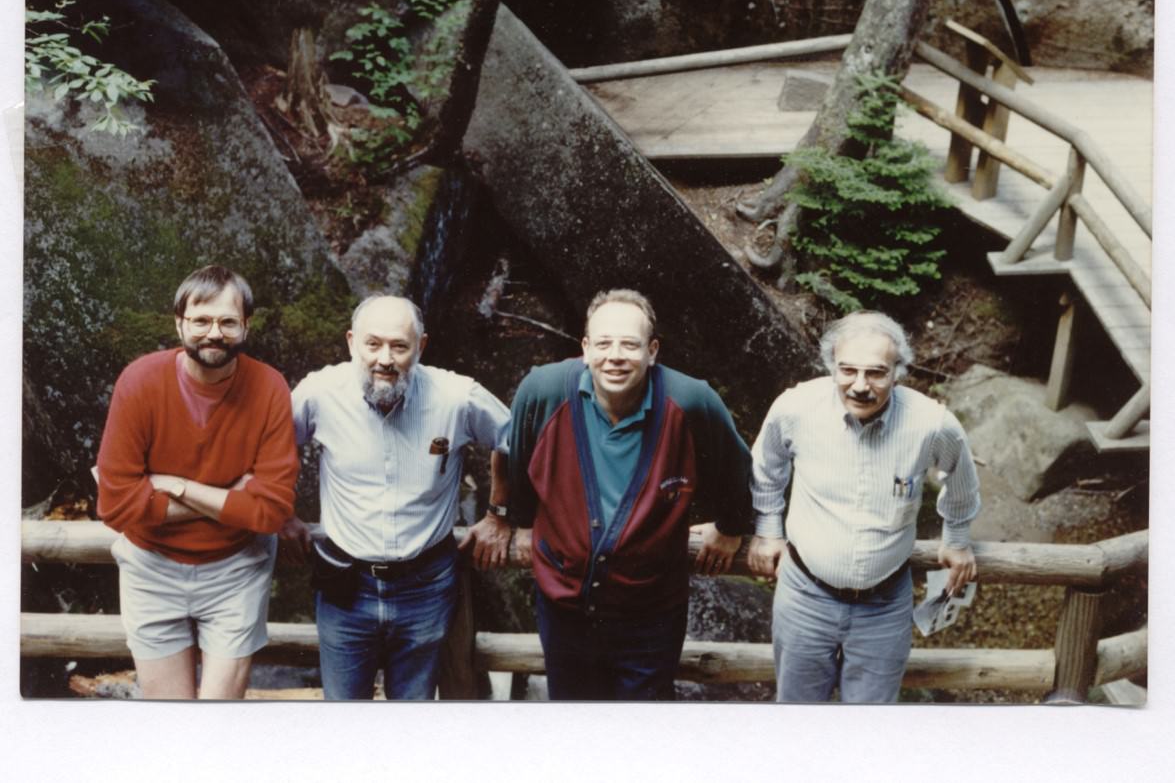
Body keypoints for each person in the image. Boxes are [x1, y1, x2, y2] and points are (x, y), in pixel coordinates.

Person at [508, 288, 752, 700]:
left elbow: (737, 468)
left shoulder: (691, 402)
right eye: (603, 343)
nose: (615, 356)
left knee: (644, 729)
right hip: (564, 608)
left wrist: (731, 527)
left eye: (629, 344)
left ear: (652, 351)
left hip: (651, 613)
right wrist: (512, 521)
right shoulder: (543, 392)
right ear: (585, 348)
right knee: (575, 724)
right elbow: (517, 461)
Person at [280, 294, 511, 700]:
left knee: (413, 716)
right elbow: (274, 445)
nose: (384, 359)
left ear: (420, 347)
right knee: (344, 714)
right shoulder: (318, 393)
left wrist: (498, 514)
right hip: (345, 587)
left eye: (399, 346)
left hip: (426, 587)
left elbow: (513, 442)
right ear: (352, 343)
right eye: (373, 344)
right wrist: (281, 513)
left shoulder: (457, 398)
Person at [748, 310, 981, 703]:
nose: (859, 385)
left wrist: (956, 540)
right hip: (804, 597)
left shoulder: (932, 424)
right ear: (831, 366)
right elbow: (766, 469)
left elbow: (962, 481)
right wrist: (768, 529)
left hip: (885, 606)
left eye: (876, 373)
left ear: (898, 371)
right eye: (847, 371)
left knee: (871, 726)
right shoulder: (795, 409)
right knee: (796, 717)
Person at [96, 265, 299, 699]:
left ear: (245, 324)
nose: (214, 333)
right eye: (201, 320)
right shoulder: (139, 382)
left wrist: (176, 486)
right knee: (171, 722)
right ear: (179, 323)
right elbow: (115, 507)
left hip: (236, 568)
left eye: (227, 321)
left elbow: (271, 511)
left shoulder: (269, 388)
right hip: (151, 567)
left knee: (217, 722)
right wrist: (231, 497)